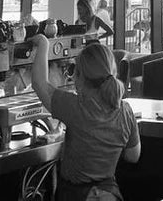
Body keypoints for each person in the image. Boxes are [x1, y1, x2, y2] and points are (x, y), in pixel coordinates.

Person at [31, 34, 140, 201]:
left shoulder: (75, 107)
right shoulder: (125, 110)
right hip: (109, 194)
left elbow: (39, 83)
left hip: (77, 195)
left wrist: (43, 43)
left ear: (81, 77)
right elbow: (133, 156)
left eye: (75, 73)